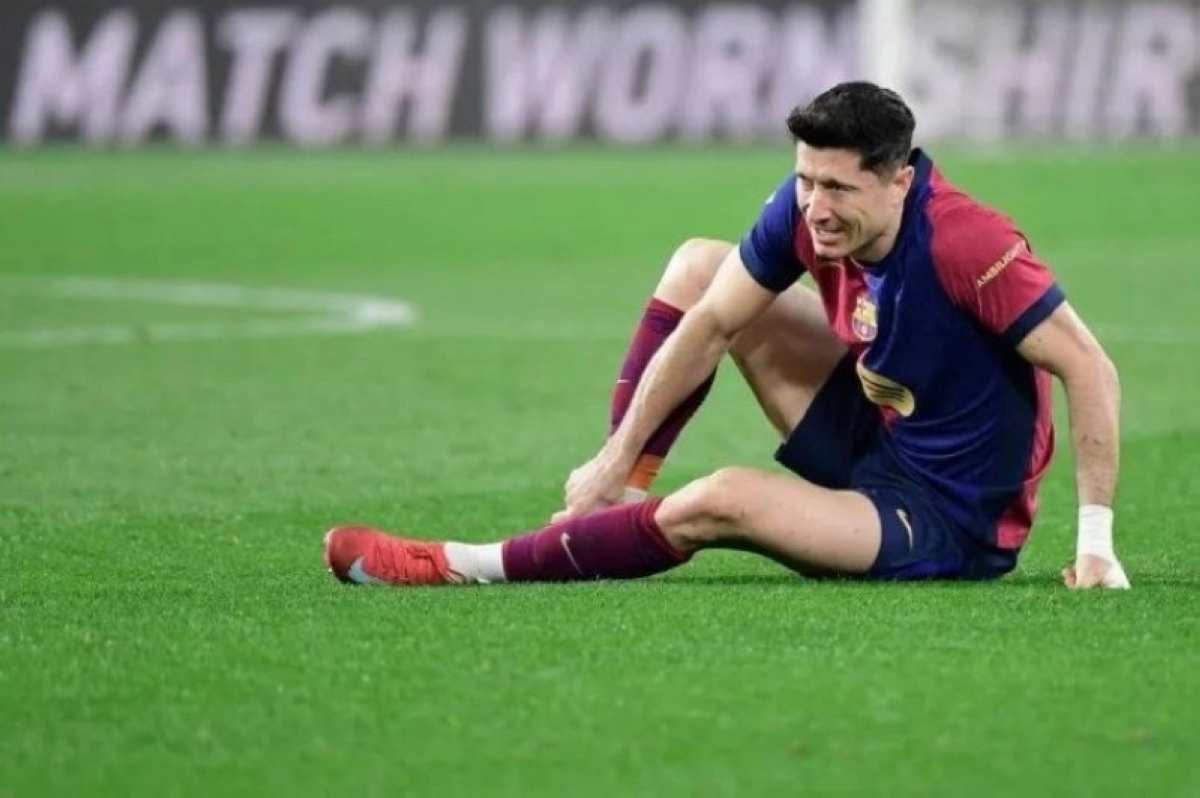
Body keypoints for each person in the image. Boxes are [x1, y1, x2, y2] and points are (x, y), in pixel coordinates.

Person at [323, 81, 1129, 590]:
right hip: (874, 428)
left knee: (723, 499)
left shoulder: (967, 242)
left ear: (900, 182)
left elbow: (1089, 367)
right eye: (806, 179)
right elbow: (710, 320)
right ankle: (617, 505)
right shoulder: (807, 209)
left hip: (945, 516)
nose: (816, 207)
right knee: (699, 269)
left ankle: (467, 564)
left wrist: (1095, 544)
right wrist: (615, 461)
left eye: (839, 188)